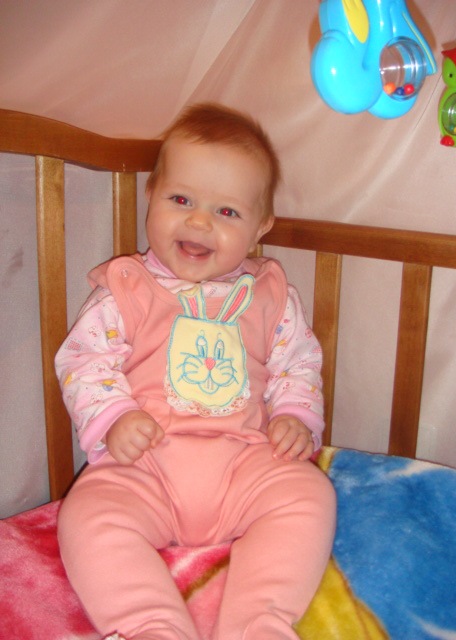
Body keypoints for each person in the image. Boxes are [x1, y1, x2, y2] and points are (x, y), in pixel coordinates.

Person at [56, 102, 336, 640]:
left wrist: (295, 415)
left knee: (309, 495)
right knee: (87, 514)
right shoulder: (127, 288)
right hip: (145, 467)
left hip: (245, 465)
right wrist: (114, 416)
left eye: (227, 211)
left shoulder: (270, 294)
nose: (200, 221)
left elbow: (297, 361)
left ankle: (258, 624)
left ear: (260, 226)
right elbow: (84, 359)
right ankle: (150, 626)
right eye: (181, 199)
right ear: (151, 194)